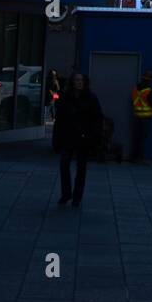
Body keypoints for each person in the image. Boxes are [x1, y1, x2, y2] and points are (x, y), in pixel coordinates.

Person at [52, 72, 103, 208]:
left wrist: (93, 136)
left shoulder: (91, 98)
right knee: (64, 164)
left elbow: (97, 118)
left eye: (81, 80)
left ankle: (77, 197)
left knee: (81, 167)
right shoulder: (66, 97)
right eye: (76, 80)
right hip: (68, 135)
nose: (79, 82)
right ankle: (66, 193)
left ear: (85, 82)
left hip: (83, 137)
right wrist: (57, 138)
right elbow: (60, 119)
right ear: (72, 82)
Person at [131, 69, 152, 163]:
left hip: (136, 116)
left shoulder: (136, 89)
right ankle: (140, 158)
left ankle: (135, 157)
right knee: (142, 138)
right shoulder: (148, 91)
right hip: (145, 118)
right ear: (150, 80)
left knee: (137, 137)